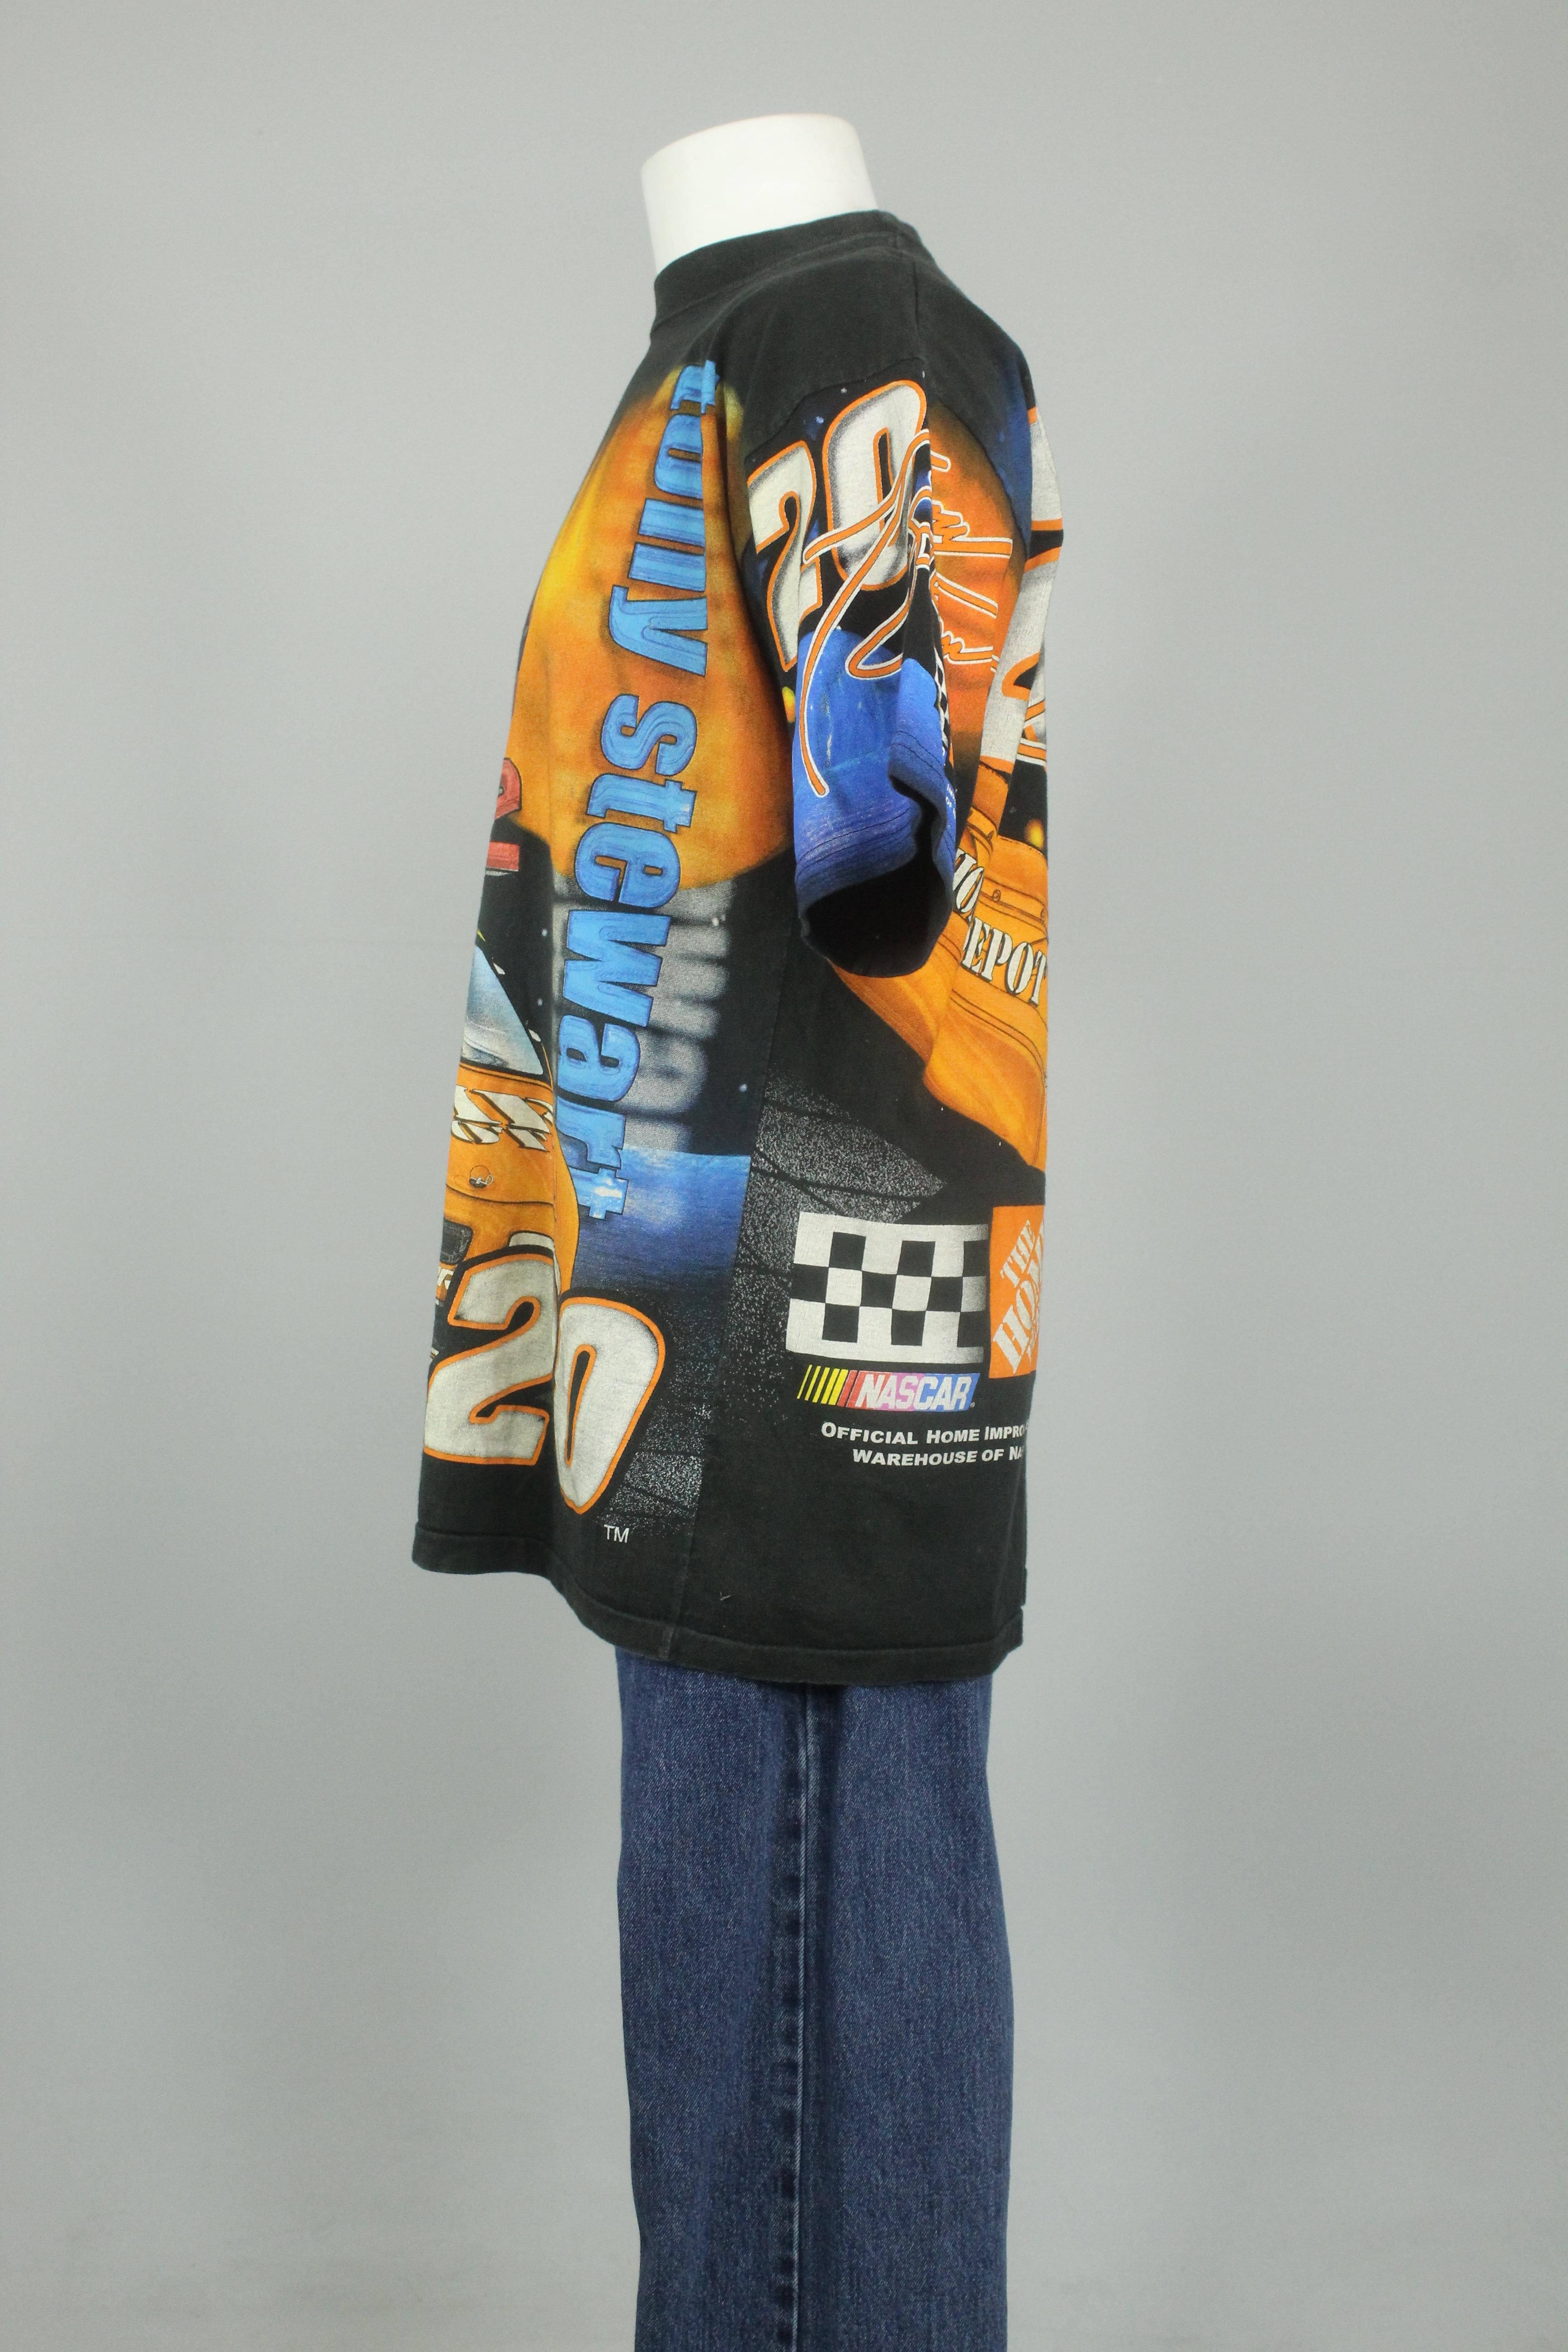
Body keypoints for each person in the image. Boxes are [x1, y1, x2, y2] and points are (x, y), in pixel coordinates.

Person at [412, 113, 1061, 2348]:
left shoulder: (841, 321)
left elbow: (885, 830)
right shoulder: (735, 340)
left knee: (796, 2022)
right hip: (714, 1336)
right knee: (743, 2032)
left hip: (801, 1352)